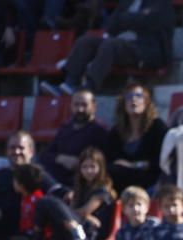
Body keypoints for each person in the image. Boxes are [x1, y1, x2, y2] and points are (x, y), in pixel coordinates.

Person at [39, 0, 174, 96]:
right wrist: (129, 20)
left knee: (110, 44)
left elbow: (147, 22)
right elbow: (112, 23)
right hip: (125, 43)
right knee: (86, 41)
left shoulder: (160, 2)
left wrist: (125, 20)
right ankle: (69, 83)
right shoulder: (127, 2)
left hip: (148, 50)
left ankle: (89, 88)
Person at [0, 131, 65, 240]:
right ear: (6, 151)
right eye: (12, 148)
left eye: (21, 148)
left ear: (31, 152)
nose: (16, 152)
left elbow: (61, 193)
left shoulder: (37, 175)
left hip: (28, 234)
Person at [105, 81, 169, 193]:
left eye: (138, 96)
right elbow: (111, 161)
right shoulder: (116, 131)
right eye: (129, 96)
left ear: (147, 102)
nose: (133, 99)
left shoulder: (158, 127)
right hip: (121, 184)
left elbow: (161, 162)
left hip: (149, 183)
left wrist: (133, 165)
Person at [38, 89, 109, 187]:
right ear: (71, 106)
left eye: (84, 105)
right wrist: (61, 158)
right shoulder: (65, 129)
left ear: (93, 107)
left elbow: (104, 160)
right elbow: (45, 155)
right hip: (59, 178)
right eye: (76, 105)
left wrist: (79, 162)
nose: (80, 109)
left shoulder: (100, 131)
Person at [71, 146, 117, 240]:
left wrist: (85, 216)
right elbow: (73, 209)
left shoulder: (102, 190)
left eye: (92, 166)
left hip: (97, 230)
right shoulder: (80, 188)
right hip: (82, 223)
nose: (89, 171)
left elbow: (84, 211)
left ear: (101, 168)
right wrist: (87, 217)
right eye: (85, 167)